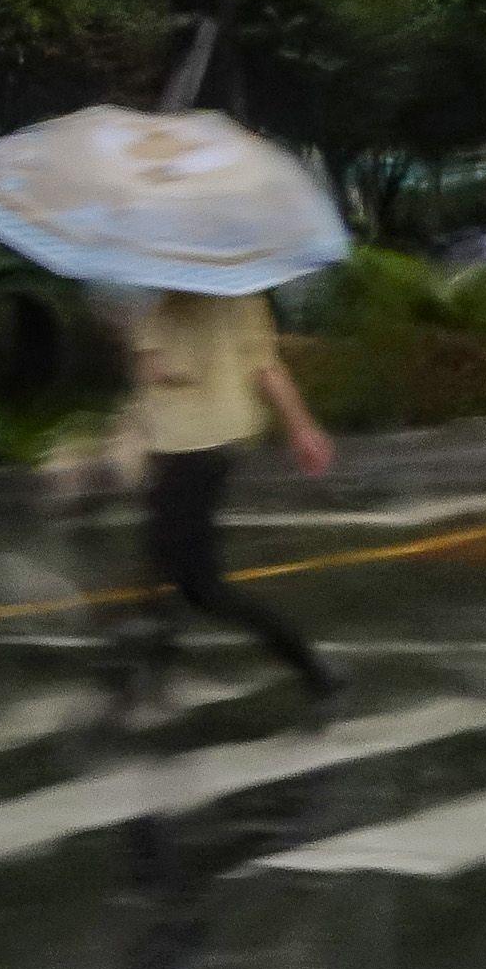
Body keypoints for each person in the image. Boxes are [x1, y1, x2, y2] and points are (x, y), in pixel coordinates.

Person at [123, 283, 336, 710]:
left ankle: (314, 669)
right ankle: (145, 680)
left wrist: (127, 330)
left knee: (199, 583)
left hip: (184, 445)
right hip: (220, 440)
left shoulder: (158, 296)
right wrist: (302, 427)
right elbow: (266, 368)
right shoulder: (240, 286)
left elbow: (154, 371)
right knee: (161, 561)